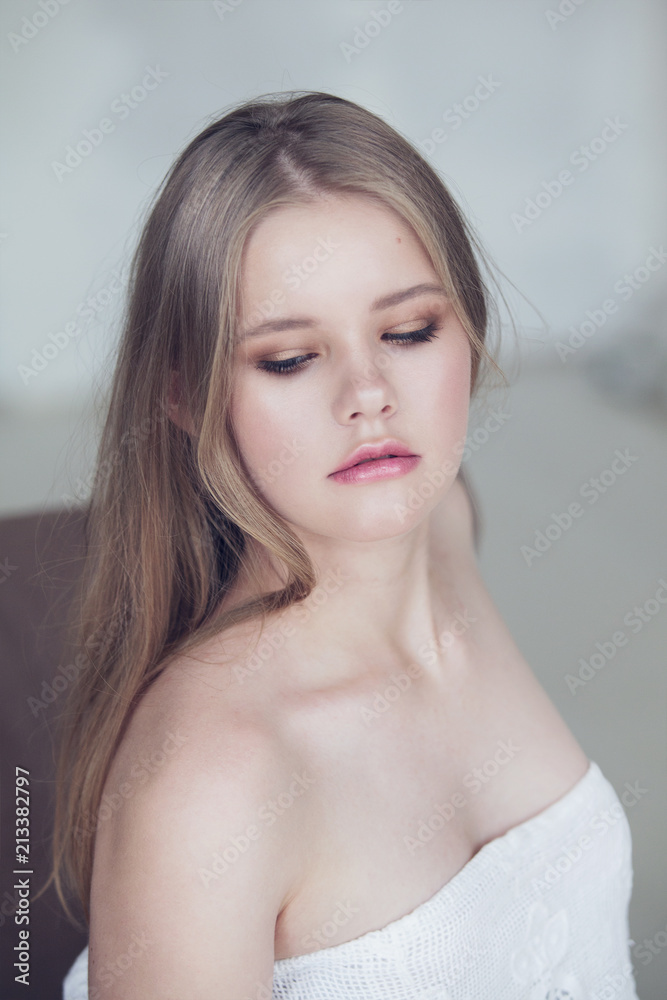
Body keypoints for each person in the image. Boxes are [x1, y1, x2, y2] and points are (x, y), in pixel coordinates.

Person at [54, 91, 639, 999]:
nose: (368, 394)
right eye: (290, 357)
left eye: (408, 331)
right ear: (182, 395)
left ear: (469, 332)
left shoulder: (444, 524)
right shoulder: (209, 785)